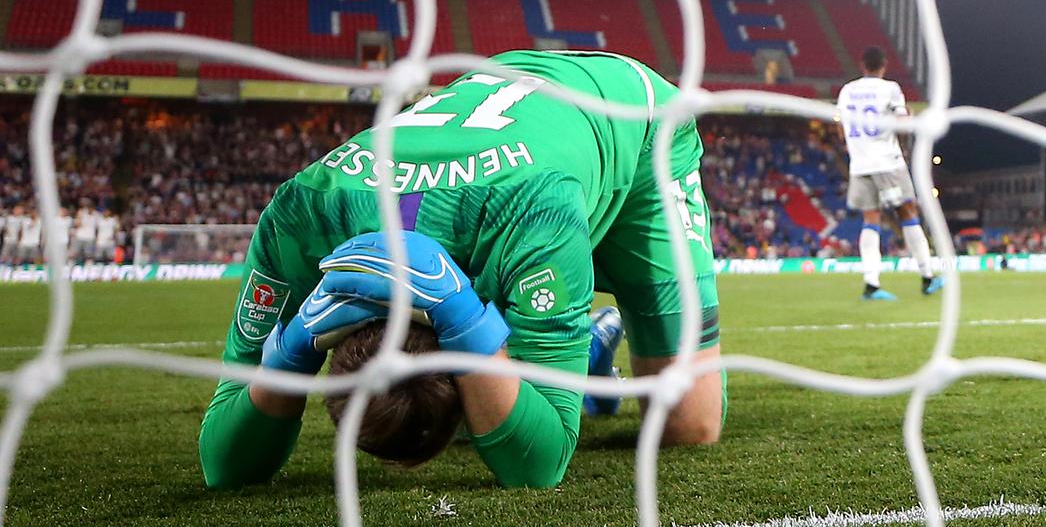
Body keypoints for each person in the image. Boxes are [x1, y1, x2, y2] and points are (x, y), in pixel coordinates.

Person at [199, 50, 723, 491]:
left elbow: (540, 467)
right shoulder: (304, 211)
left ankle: (568, 347)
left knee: (690, 424)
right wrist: (292, 350)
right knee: (512, 389)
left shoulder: (312, 212)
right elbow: (222, 468)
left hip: (636, 118)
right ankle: (571, 348)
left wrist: (463, 320)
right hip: (519, 147)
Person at [835, 46, 943, 301]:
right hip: (887, 162)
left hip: (860, 165)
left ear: (862, 65)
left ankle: (871, 284)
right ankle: (928, 277)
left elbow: (840, 129)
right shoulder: (890, 89)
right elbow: (903, 127)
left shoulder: (847, 91)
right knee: (907, 212)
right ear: (883, 65)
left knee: (870, 220)